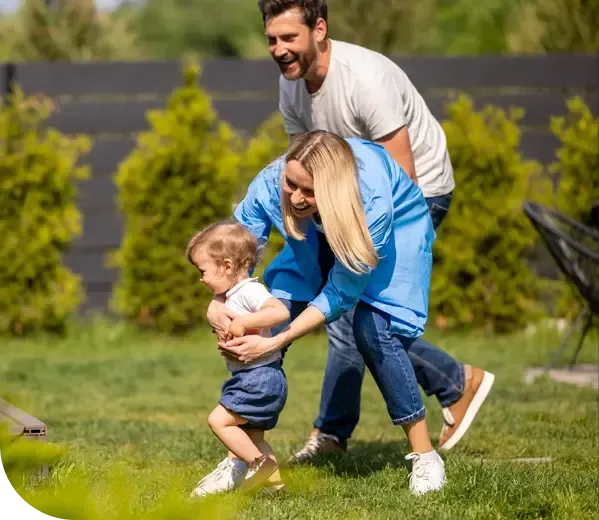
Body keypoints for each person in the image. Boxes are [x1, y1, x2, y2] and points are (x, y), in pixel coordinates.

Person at [253, 0, 495, 461]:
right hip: (353, 202)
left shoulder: (364, 79)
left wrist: (357, 245)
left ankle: (332, 434)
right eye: (272, 39)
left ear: (319, 29)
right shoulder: (292, 88)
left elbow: (402, 177)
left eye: (289, 38)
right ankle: (453, 383)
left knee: (355, 313)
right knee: (353, 313)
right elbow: (300, 171)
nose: (279, 49)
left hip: (415, 196)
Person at [219, 131, 447, 494]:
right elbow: (230, 255)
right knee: (271, 313)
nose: (295, 197)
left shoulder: (372, 203)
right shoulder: (271, 184)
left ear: (332, 188)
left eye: (308, 191)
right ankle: (245, 457)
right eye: (291, 183)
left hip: (393, 236)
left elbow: (341, 291)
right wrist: (222, 307)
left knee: (373, 328)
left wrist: (278, 341)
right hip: (315, 232)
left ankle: (425, 456)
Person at [186, 221, 290, 497]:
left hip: (259, 378)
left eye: (203, 271)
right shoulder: (231, 294)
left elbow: (279, 312)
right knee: (254, 437)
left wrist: (244, 323)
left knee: (218, 421)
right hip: (256, 377)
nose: (201, 278)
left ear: (228, 266)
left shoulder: (249, 291)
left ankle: (259, 464)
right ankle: (275, 488)